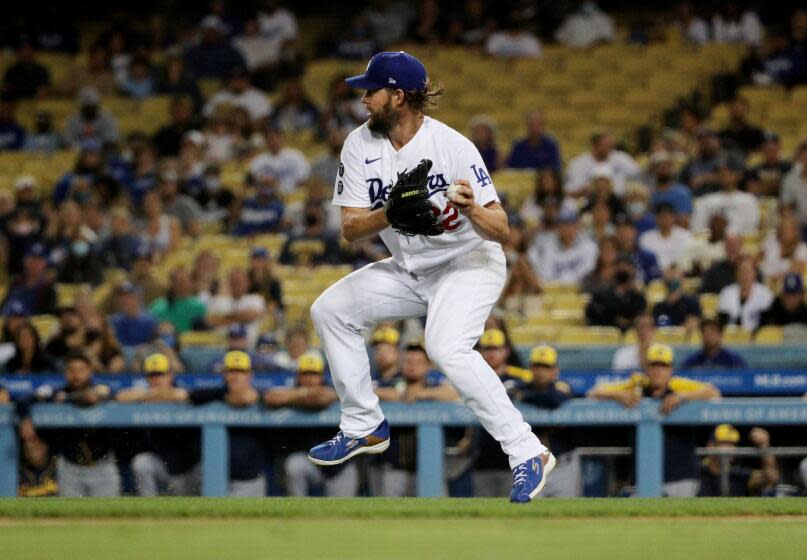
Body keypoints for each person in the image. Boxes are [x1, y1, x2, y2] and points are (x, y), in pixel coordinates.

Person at [306, 51, 555, 503]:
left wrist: (471, 208)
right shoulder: (359, 144)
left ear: (398, 97)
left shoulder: (452, 147)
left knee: (445, 347)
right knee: (330, 311)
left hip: (468, 263)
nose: (363, 99)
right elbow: (350, 228)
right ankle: (363, 424)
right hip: (410, 269)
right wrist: (390, 212)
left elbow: (502, 230)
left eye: (371, 90)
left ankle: (528, 453)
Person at [588, 344, 721, 496]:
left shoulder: (678, 386)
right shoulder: (637, 387)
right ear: (646, 369)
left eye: (663, 366)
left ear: (671, 369)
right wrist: (618, 395)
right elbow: (593, 393)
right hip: (645, 478)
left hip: (681, 476)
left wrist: (682, 396)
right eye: (654, 365)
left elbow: (713, 393)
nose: (658, 371)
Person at [21, 352, 120, 496]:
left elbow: (90, 397)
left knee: (109, 514)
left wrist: (66, 398)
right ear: (66, 372)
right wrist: (25, 419)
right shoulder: (57, 391)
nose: (76, 375)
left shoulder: (100, 388)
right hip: (70, 466)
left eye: (81, 370)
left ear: (89, 371)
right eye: (71, 370)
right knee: (70, 515)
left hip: (102, 465)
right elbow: (24, 400)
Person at [370, 341, 461, 497]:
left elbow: (456, 393)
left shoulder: (434, 384)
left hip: (431, 467)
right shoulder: (391, 381)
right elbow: (369, 391)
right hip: (394, 466)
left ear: (428, 366)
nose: (412, 366)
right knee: (388, 516)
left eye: (418, 362)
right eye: (408, 361)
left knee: (435, 514)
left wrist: (421, 394)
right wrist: (400, 395)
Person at [171, 351, 268, 496]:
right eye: (231, 371)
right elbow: (179, 395)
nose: (235, 376)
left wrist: (229, 398)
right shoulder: (213, 393)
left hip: (249, 479)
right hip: (213, 477)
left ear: (249, 374)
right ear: (224, 374)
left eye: (240, 371)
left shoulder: (260, 395)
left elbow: (245, 398)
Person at [265, 353, 358, 497]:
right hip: (309, 463)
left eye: (314, 374)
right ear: (298, 376)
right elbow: (271, 397)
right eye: (305, 374)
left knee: (341, 515)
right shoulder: (292, 389)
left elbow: (321, 399)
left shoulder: (331, 388)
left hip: (340, 465)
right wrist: (304, 393)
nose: (309, 378)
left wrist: (299, 396)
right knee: (294, 465)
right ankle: (298, 511)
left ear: (321, 376)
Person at [116, 353, 201, 496]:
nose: (156, 380)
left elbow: (182, 394)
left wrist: (158, 395)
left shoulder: (181, 393)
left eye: (160, 375)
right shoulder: (144, 395)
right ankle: (148, 508)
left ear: (170, 375)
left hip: (189, 467)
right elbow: (120, 396)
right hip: (163, 463)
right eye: (152, 375)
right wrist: (149, 395)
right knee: (141, 463)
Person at [517, 345, 576, 497]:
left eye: (546, 367)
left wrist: (526, 397)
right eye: (537, 366)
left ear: (555, 370)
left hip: (562, 465)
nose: (541, 372)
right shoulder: (520, 386)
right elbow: (509, 392)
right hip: (531, 466)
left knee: (566, 515)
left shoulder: (562, 387)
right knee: (530, 516)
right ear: (530, 368)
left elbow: (553, 399)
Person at [699, 424, 779, 496]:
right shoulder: (697, 472)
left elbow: (771, 478)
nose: (731, 448)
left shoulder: (739, 474)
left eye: (733, 444)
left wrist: (764, 445)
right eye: (725, 443)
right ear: (710, 446)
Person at [527, 207, 598, 285]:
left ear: (577, 226)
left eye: (570, 224)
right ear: (557, 227)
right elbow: (545, 274)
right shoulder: (548, 247)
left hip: (581, 290)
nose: (567, 229)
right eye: (563, 224)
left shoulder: (589, 246)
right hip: (554, 291)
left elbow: (588, 270)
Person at [691, 156, 759, 236]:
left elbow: (750, 230)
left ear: (738, 175)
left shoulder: (748, 200)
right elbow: (697, 229)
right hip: (711, 244)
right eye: (719, 171)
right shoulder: (705, 200)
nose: (723, 174)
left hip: (737, 243)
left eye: (727, 171)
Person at [565, 131, 640, 197]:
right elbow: (570, 190)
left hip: (619, 202)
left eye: (612, 145)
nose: (611, 148)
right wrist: (587, 189)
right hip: (588, 202)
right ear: (595, 145)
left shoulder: (621, 158)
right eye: (606, 145)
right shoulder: (578, 163)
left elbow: (639, 175)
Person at [206, 268, 267, 346]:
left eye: (240, 281)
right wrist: (240, 317)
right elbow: (211, 321)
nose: (236, 284)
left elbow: (251, 315)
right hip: (222, 348)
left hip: (250, 346)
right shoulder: (218, 301)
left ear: (247, 283)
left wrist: (224, 318)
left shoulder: (255, 299)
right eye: (233, 281)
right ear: (228, 283)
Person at [585, 256, 647, 331]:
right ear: (613, 270)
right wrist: (615, 319)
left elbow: (640, 319)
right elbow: (592, 313)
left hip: (631, 339)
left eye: (626, 266)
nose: (622, 269)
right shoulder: (601, 295)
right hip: (604, 338)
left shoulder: (638, 298)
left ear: (633, 270)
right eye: (619, 266)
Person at [718, 257, 773, 332]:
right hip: (730, 336)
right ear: (736, 274)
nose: (745, 275)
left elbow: (767, 323)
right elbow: (722, 320)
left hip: (756, 338)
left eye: (748, 271)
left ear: (754, 273)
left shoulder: (765, 294)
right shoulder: (726, 293)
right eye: (742, 271)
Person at [148, 266, 207, 334]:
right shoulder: (159, 306)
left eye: (186, 281)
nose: (183, 285)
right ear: (171, 283)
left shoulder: (199, 306)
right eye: (179, 281)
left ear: (192, 283)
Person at [204, 66, 272, 123]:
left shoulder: (259, 97)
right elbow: (207, 116)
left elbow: (266, 119)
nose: (237, 82)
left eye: (241, 78)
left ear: (247, 79)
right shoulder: (218, 97)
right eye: (234, 79)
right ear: (228, 80)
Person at [638, 203, 692, 271]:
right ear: (656, 218)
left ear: (674, 217)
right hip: (654, 274)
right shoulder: (645, 238)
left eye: (668, 216)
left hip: (680, 273)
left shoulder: (686, 236)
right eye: (662, 217)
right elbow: (646, 262)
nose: (665, 220)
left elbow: (687, 260)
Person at [682, 318, 747, 369]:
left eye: (712, 333)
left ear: (720, 335)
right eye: (705, 332)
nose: (708, 336)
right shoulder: (693, 360)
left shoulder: (733, 360)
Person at [109, 282, 158, 348]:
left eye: (129, 297)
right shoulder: (114, 321)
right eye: (122, 297)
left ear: (138, 298)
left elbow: (155, 344)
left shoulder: (150, 320)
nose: (125, 300)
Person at [759, 216, 807, 282]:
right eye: (782, 229)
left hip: (786, 284)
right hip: (763, 278)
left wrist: (776, 278)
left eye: (787, 229)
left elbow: (795, 270)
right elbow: (758, 258)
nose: (784, 232)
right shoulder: (771, 240)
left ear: (795, 232)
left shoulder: (802, 248)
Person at [747, 132, 791, 197]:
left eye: (772, 144)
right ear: (761, 149)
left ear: (779, 147)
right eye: (765, 145)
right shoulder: (753, 170)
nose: (769, 147)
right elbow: (752, 191)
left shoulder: (789, 168)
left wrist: (763, 186)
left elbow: (790, 189)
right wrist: (777, 185)